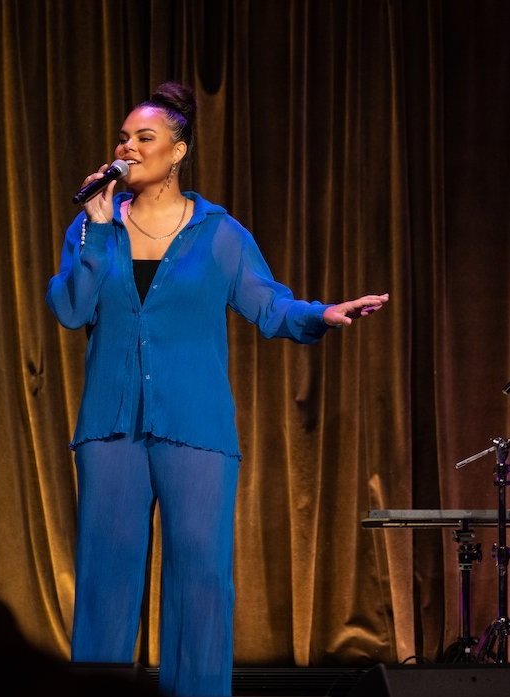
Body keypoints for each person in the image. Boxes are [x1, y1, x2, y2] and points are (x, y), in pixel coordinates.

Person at [46, 81, 388, 697]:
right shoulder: (93, 227)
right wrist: (95, 232)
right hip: (111, 430)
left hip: (196, 430)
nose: (128, 147)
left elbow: (268, 304)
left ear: (177, 152)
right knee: (105, 579)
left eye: (143, 138)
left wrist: (322, 314)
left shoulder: (219, 232)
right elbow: (71, 310)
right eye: (123, 138)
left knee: (201, 579)